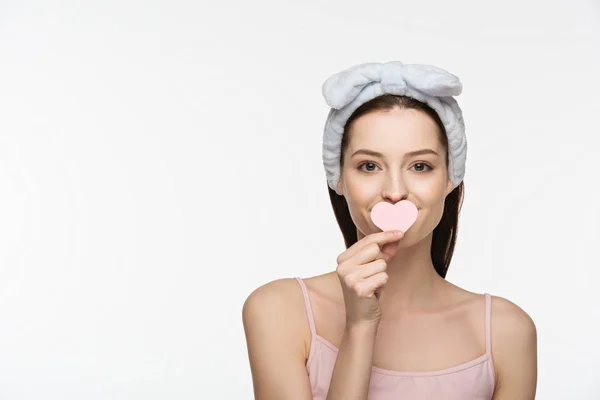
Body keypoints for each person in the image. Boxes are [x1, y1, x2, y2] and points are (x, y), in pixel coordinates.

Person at [242, 61, 537, 399]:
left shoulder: (505, 332)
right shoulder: (278, 310)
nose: (395, 191)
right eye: (369, 166)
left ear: (450, 179)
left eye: (420, 166)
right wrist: (359, 327)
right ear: (338, 178)